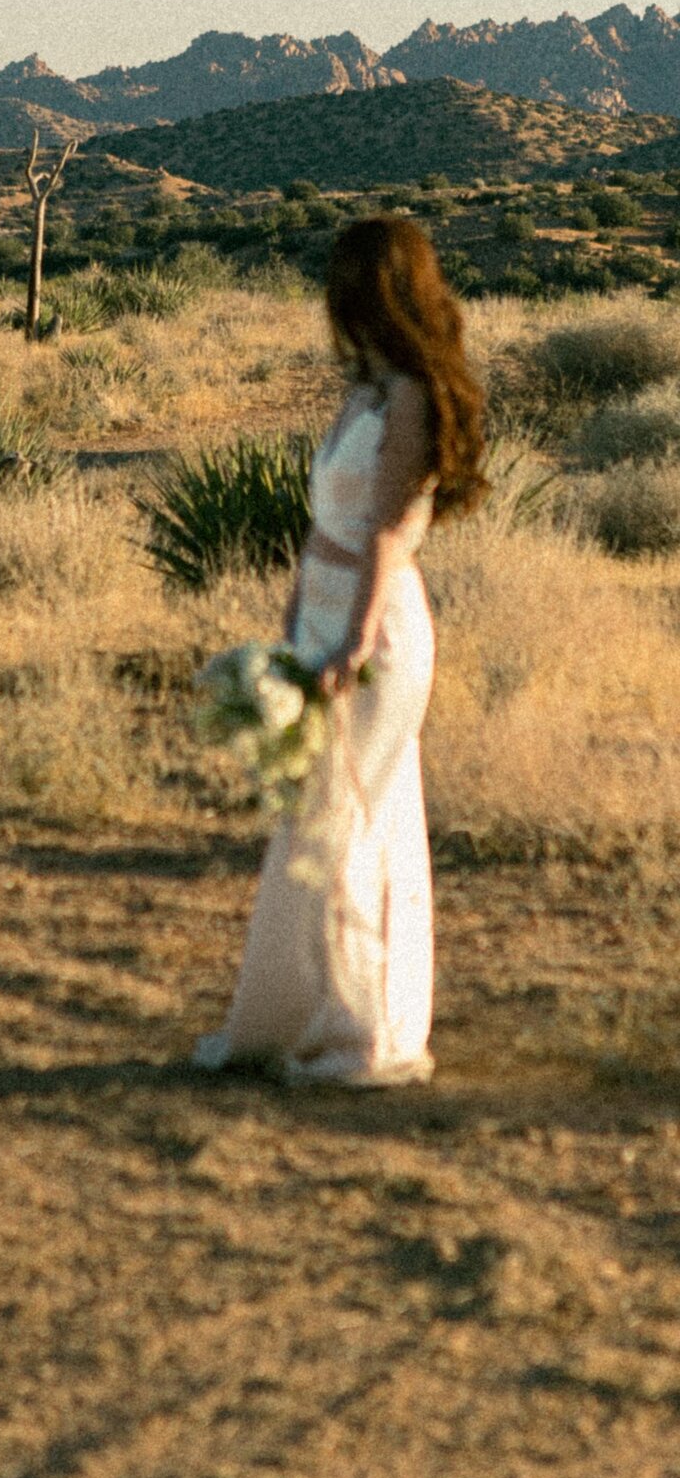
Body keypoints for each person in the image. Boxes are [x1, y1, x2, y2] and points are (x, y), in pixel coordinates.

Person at [193, 216, 487, 1085]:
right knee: (313, 819)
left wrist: (350, 646)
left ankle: (364, 1031)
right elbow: (324, 525)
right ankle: (299, 1015)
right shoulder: (361, 390)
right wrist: (291, 634)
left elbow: (391, 532)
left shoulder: (408, 397)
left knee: (353, 819)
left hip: (375, 630)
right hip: (320, 618)